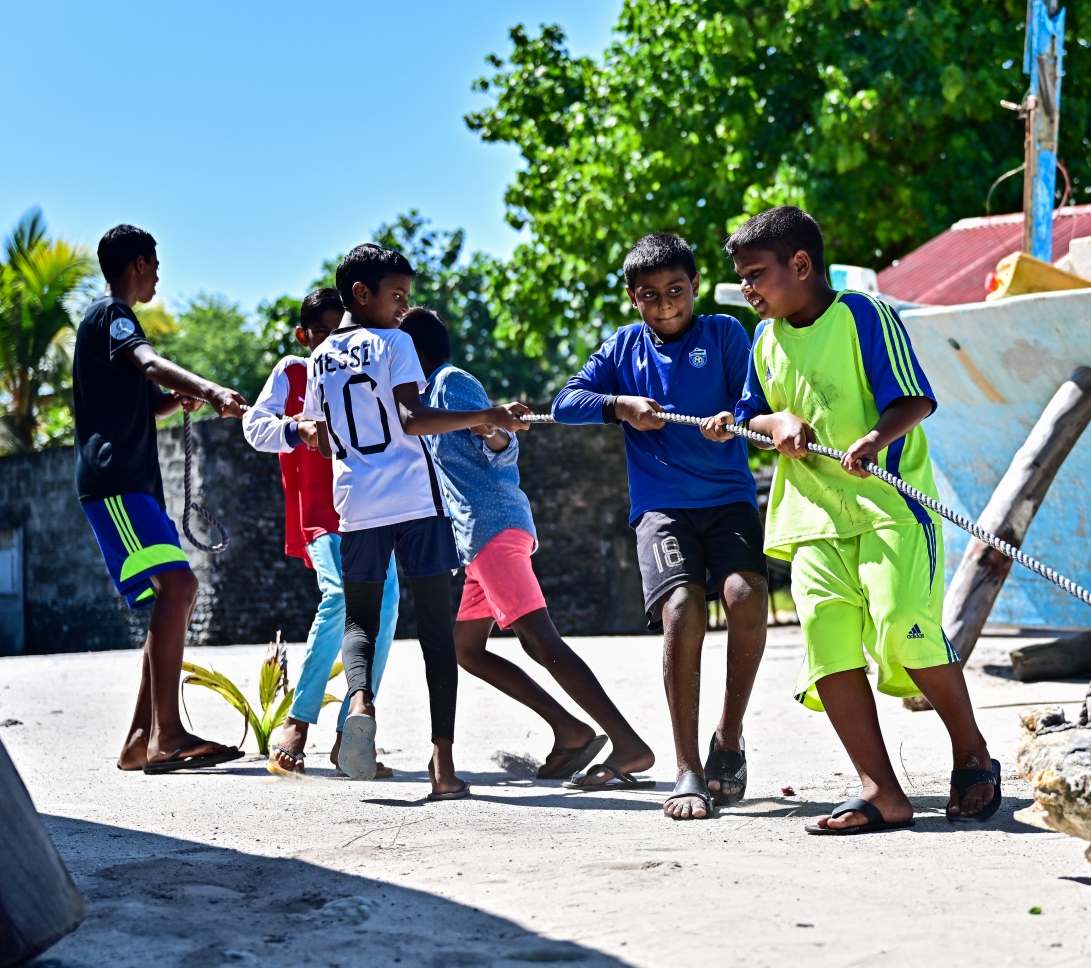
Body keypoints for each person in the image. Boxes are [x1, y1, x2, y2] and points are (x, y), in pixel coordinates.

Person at [715, 205, 1000, 835]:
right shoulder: (764, 342)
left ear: (800, 264)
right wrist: (776, 424)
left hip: (891, 507)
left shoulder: (862, 313)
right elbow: (750, 416)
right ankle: (882, 792)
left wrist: (873, 438)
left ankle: (972, 753)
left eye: (757, 274)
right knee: (829, 647)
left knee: (903, 625)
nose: (748, 289)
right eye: (742, 278)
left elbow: (914, 396)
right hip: (812, 519)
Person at [553, 232, 767, 819]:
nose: (667, 304)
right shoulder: (622, 350)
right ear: (632, 297)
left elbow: (754, 397)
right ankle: (688, 768)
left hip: (728, 499)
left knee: (746, 595)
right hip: (661, 508)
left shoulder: (725, 333)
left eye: (677, 290)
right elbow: (566, 401)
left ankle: (728, 737)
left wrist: (735, 418)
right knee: (681, 611)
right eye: (650, 295)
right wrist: (620, 405)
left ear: (696, 286)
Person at [303, 243, 528, 799]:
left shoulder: (318, 358)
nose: (404, 309)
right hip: (415, 506)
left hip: (355, 507)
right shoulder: (396, 343)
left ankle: (360, 702)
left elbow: (318, 433)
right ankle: (443, 767)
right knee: (434, 632)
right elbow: (413, 418)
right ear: (362, 294)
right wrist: (486, 416)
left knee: (360, 623)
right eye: (397, 296)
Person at [400, 307, 655, 785]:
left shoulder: (451, 382)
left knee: (540, 639)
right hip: (474, 540)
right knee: (467, 649)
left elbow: (502, 448)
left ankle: (628, 743)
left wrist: (492, 430)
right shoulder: (427, 401)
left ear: (412, 352)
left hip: (492, 528)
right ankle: (570, 729)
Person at [75, 224, 249, 773]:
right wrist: (211, 389)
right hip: (117, 485)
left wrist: (177, 402)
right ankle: (168, 735)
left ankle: (139, 739)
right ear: (140, 261)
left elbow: (148, 400)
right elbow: (149, 363)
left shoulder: (107, 325)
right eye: (155, 264)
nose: (158, 275)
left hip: (129, 487)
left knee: (163, 603)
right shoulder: (112, 316)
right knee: (180, 586)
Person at [242, 288, 400, 778]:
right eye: (323, 334)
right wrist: (300, 430)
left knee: (388, 605)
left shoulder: (363, 368)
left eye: (342, 332)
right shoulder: (293, 370)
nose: (333, 342)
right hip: (319, 516)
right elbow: (255, 426)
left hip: (369, 510)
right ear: (302, 335)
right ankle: (297, 722)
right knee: (338, 599)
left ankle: (348, 734)